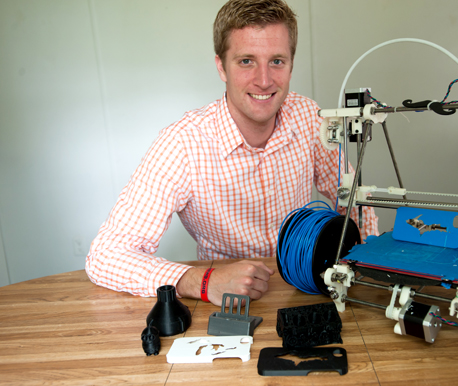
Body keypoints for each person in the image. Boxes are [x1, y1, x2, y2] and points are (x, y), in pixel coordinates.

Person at [85, 0, 378, 306]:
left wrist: (360, 260)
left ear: (292, 63)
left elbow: (356, 202)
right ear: (221, 67)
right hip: (223, 305)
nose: (264, 80)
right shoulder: (183, 143)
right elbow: (106, 256)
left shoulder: (309, 116)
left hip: (303, 292)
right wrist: (202, 281)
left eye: (277, 61)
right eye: (246, 61)